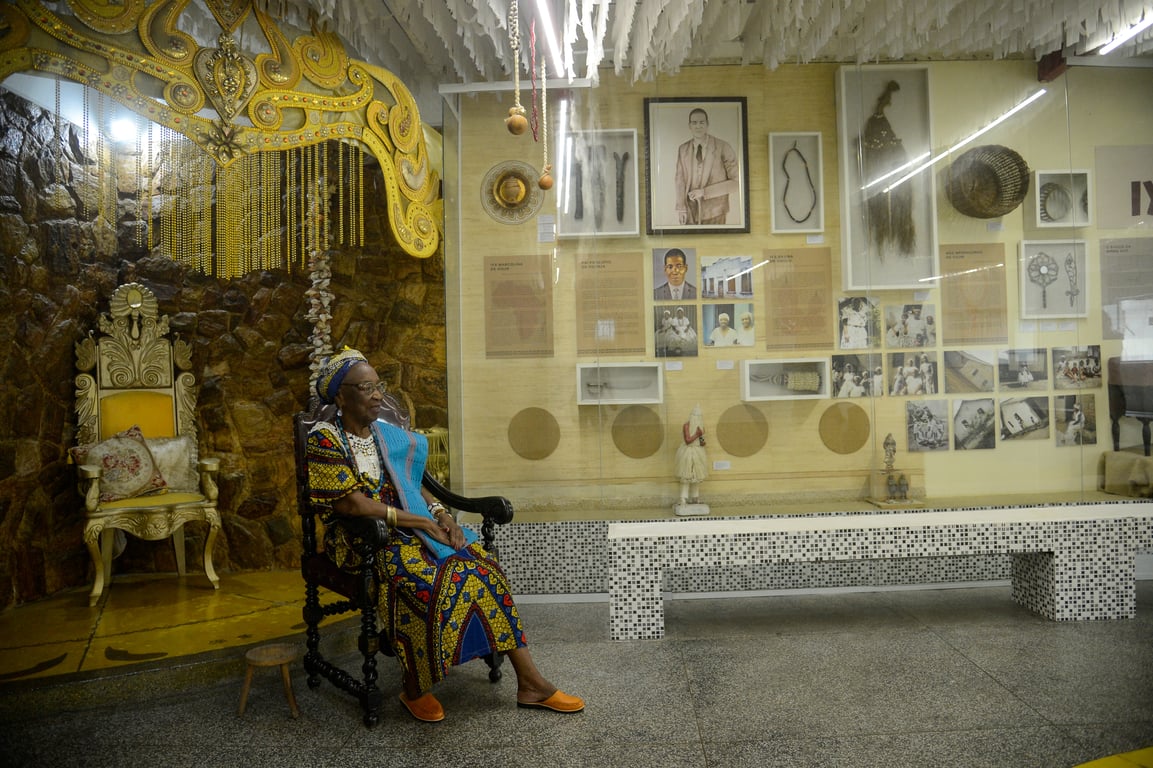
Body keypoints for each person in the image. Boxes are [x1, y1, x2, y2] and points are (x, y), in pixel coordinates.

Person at [306, 349, 583, 722]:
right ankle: (414, 686)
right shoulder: (324, 439)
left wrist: (440, 513)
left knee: (482, 567)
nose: (377, 395)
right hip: (365, 541)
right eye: (365, 388)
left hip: (410, 527)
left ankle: (531, 682)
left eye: (379, 386)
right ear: (340, 396)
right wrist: (421, 524)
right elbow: (353, 507)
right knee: (426, 580)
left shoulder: (384, 435)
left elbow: (411, 482)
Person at [674, 108, 739, 226]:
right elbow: (680, 180)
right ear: (689, 126)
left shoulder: (723, 147)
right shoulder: (683, 149)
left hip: (715, 212)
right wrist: (681, 208)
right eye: (694, 123)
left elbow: (736, 183)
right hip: (690, 212)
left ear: (707, 124)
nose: (698, 126)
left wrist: (704, 192)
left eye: (701, 122)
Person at [675, 405, 708, 504]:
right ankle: (683, 497)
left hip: (698, 452)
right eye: (696, 416)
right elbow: (688, 440)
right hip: (687, 452)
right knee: (686, 476)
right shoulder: (686, 426)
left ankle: (695, 497)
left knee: (696, 476)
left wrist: (701, 438)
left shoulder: (701, 427)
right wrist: (697, 434)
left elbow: (702, 441)